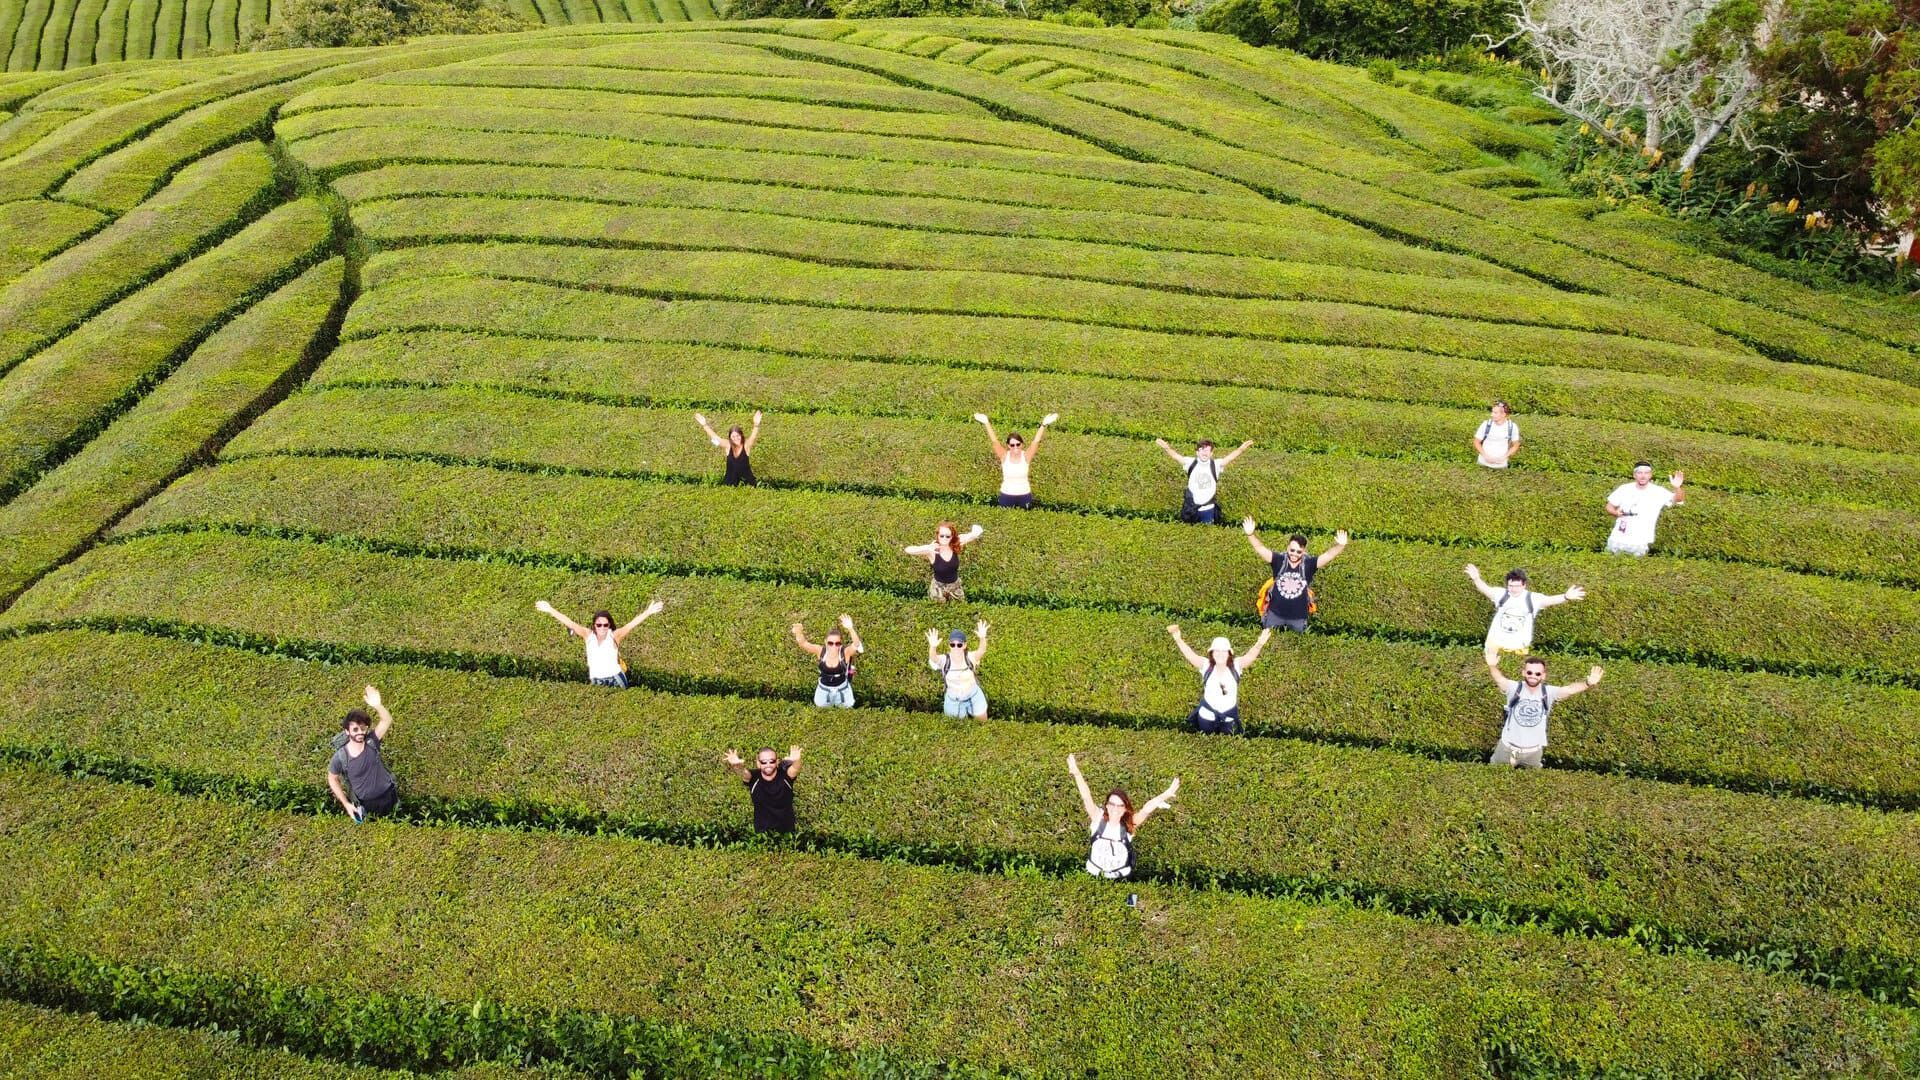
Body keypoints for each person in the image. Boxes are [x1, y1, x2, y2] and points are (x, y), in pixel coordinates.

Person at [1066, 753, 1179, 880]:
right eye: (1112, 804)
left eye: (1120, 806)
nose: (1115, 809)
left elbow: (1146, 810)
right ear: (1107, 805)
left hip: (1121, 879)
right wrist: (1077, 773)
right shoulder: (1098, 818)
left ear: (1125, 809)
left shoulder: (1129, 825)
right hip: (1094, 876)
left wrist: (1165, 795)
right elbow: (1086, 797)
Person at [1485, 655, 1603, 768]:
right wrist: (1492, 666)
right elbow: (1500, 680)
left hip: (1533, 752)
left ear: (1543, 676)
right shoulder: (1514, 688)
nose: (1533, 676)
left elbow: (1570, 690)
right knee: (1493, 774)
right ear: (1523, 673)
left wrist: (1587, 683)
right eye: (1529, 672)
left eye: (1537, 673)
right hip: (1507, 748)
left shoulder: (1548, 692)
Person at [1244, 519, 1349, 632]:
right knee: (1267, 636)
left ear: (1304, 551)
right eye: (1292, 550)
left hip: (1298, 617)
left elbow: (1329, 555)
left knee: (1298, 639)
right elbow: (1260, 548)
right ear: (1288, 547)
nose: (1294, 554)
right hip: (1274, 613)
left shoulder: (1309, 564)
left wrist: (1340, 546)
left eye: (1299, 551)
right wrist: (1250, 534)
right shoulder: (1278, 560)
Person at [1465, 564, 1586, 662]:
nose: (1513, 589)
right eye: (1510, 586)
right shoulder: (1501, 594)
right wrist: (1476, 578)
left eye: (1517, 586)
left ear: (1524, 585)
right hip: (1494, 645)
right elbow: (1485, 589)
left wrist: (1566, 597)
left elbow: (1550, 600)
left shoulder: (1533, 598)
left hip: (1518, 649)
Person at [534, 598, 665, 687]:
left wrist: (648, 612)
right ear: (594, 625)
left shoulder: (614, 636)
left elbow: (631, 624)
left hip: (615, 679)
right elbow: (570, 623)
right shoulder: (588, 635)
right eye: (599, 624)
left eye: (605, 625)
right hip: (596, 679)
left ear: (609, 625)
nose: (602, 627)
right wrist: (550, 609)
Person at [1167, 624, 1272, 734]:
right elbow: (1190, 655)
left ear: (1229, 653)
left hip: (1229, 716)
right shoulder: (1206, 665)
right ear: (1212, 653)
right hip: (1207, 714)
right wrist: (1178, 639)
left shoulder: (1236, 665)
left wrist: (1259, 644)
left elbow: (1250, 656)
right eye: (1217, 651)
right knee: (1206, 741)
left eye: (1224, 651)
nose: (1220, 654)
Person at [327, 686, 397, 822]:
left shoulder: (372, 741)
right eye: (355, 729)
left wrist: (378, 705)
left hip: (389, 794)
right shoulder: (341, 757)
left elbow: (387, 720)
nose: (360, 732)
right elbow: (332, 778)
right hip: (367, 804)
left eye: (363, 728)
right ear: (347, 731)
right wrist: (346, 803)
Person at [1154, 437, 1252, 524]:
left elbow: (1229, 458)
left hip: (1208, 510)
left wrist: (1241, 449)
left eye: (1207, 450)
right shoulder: (1190, 462)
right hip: (1191, 509)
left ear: (1211, 453)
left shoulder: (1216, 465)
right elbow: (1176, 456)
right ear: (1197, 452)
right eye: (1202, 450)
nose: (1205, 452)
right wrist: (1166, 448)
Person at [973, 411, 1057, 508]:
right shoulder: (1004, 456)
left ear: (1022, 444)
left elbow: (1035, 442)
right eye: (1012, 445)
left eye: (1018, 444)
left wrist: (1043, 425)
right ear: (1008, 446)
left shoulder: (1026, 456)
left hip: (1024, 495)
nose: (1015, 447)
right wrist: (986, 423)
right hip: (1006, 495)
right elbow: (995, 441)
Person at [1605, 462, 1686, 556]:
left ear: (1650, 475)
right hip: (1617, 539)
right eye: (1639, 473)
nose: (1643, 476)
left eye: (1646, 473)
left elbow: (1678, 499)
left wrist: (1677, 487)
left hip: (1640, 542)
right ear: (1634, 475)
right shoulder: (1624, 489)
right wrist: (1615, 513)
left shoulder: (1658, 492)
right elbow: (1609, 506)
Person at [724, 746, 803, 833]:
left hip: (787, 831)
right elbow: (742, 772)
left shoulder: (785, 775)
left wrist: (797, 760)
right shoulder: (753, 777)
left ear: (777, 762)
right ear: (758, 763)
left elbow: (795, 768)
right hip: (762, 832)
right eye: (764, 762)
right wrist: (736, 765)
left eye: (772, 761)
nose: (768, 765)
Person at [792, 615, 864, 708]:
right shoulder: (820, 651)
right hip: (823, 690)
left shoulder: (845, 653)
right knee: (821, 709)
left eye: (837, 643)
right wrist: (798, 632)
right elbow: (803, 643)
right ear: (826, 642)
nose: (834, 646)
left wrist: (850, 628)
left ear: (841, 644)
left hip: (842, 690)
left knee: (846, 710)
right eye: (830, 643)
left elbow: (856, 644)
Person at [904, 522, 983, 603]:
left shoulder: (955, 545)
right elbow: (908, 550)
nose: (944, 538)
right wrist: (927, 548)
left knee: (959, 609)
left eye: (948, 536)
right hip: (938, 590)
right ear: (938, 536)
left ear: (952, 537)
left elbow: (974, 534)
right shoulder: (932, 550)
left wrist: (975, 530)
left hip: (955, 587)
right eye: (942, 536)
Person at [927, 621, 989, 719]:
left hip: (974, 696)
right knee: (958, 729)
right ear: (949, 645)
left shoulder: (970, 657)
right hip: (953, 701)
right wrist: (933, 647)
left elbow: (981, 650)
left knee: (983, 723)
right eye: (953, 645)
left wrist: (982, 638)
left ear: (964, 645)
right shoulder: (945, 660)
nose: (956, 647)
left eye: (959, 645)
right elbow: (934, 658)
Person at [695, 410, 762, 486]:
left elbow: (753, 437)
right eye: (733, 436)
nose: (736, 438)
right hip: (730, 481)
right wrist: (705, 425)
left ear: (741, 436)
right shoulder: (728, 445)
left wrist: (756, 425)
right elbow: (716, 438)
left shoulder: (746, 445)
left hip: (747, 481)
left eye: (738, 436)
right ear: (730, 438)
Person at [1473, 401, 1521, 469]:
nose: (1492, 415)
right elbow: (1476, 441)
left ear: (1504, 414)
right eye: (1492, 412)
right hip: (1483, 462)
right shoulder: (1486, 424)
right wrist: (1485, 456)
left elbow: (1516, 445)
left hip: (1501, 465)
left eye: (1495, 413)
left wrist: (1504, 457)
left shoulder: (1512, 427)